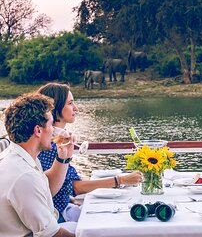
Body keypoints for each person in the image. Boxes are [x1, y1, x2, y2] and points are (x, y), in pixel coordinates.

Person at [37, 82, 142, 223]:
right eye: (70, 103)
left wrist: (67, 198)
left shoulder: (59, 139)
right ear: (55, 110)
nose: (76, 108)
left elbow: (66, 185)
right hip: (55, 216)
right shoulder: (51, 145)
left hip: (64, 206)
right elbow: (76, 187)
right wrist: (121, 180)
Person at [0, 93, 75, 237]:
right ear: (38, 130)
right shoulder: (24, 175)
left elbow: (46, 190)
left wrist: (64, 157)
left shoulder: (19, 157)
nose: (53, 130)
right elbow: (52, 234)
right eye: (51, 124)